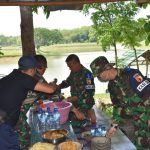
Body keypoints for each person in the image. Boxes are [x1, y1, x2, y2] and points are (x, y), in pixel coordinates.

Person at [90, 56, 150, 149]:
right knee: (141, 145)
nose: (98, 78)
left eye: (98, 74)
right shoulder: (111, 86)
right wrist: (114, 126)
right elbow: (118, 106)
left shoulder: (131, 74)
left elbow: (147, 94)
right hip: (138, 121)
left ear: (106, 69)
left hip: (148, 116)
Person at [0, 55, 57, 150]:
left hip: (5, 121)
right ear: (31, 70)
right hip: (3, 123)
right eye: (35, 70)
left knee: (13, 144)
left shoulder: (12, 76)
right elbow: (50, 90)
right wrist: (54, 85)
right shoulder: (25, 78)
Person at [58, 54, 96, 127]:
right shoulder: (73, 72)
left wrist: (72, 98)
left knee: (79, 124)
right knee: (67, 117)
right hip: (75, 103)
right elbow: (67, 82)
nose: (69, 68)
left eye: (70, 66)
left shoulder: (87, 74)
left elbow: (90, 92)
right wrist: (58, 86)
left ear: (77, 63)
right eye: (68, 66)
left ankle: (90, 112)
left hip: (85, 103)